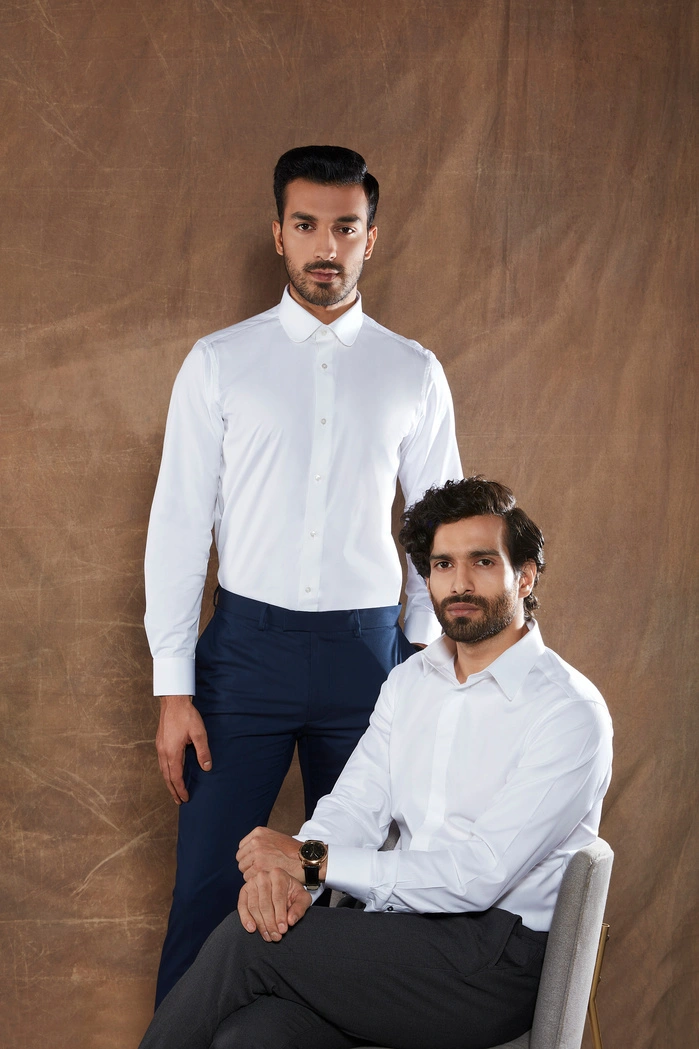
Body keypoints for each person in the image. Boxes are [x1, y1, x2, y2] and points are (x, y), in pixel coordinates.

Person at [144, 145, 462, 1003]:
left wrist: (424, 665)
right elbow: (179, 525)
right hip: (243, 654)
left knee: (361, 892)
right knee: (210, 885)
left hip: (371, 658)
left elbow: (440, 533)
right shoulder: (218, 362)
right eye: (307, 225)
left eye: (345, 228)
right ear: (277, 233)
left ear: (371, 238)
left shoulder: (413, 372)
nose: (327, 246)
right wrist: (174, 686)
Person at [138, 476, 613, 1049]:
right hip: (395, 944)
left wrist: (309, 858)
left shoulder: (568, 712)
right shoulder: (411, 682)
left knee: (245, 945)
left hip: (491, 963)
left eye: (483, 562)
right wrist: (296, 880)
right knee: (252, 1035)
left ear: (526, 574)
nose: (459, 583)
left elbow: (476, 877)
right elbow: (354, 805)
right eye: (442, 565)